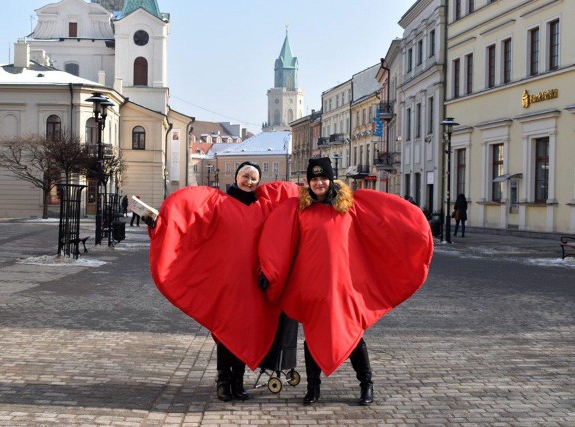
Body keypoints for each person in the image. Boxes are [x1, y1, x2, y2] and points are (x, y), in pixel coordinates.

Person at [258, 158, 433, 406]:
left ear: (331, 179)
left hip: (344, 284)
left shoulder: (350, 206)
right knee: (313, 335)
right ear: (309, 183)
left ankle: (366, 384)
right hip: (313, 284)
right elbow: (280, 240)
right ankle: (313, 388)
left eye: (323, 178)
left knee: (351, 334)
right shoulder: (300, 209)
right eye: (314, 179)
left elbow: (383, 222)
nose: (319, 183)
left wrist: (413, 229)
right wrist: (270, 270)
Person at [145, 162, 298, 402]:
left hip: (252, 284)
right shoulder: (217, 203)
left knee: (245, 330)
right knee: (227, 331)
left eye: (254, 178)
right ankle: (223, 380)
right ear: (237, 177)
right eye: (245, 176)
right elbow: (187, 212)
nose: (249, 181)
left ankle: (238, 381)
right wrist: (163, 221)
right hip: (226, 282)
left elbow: (291, 208)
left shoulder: (264, 206)